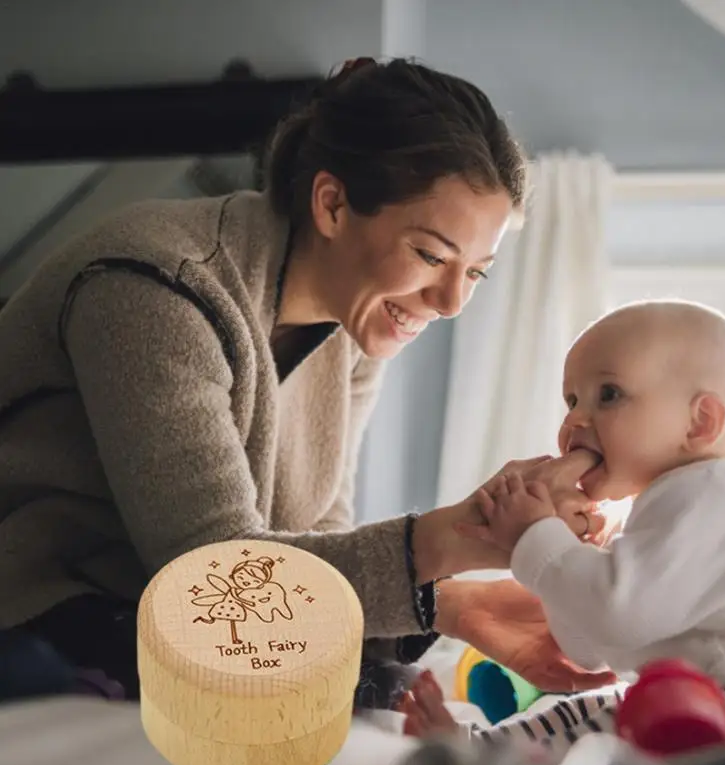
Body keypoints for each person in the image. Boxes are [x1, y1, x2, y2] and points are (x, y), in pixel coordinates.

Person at [0, 57, 613, 707]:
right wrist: (470, 533)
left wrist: (450, 605)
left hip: (160, 614)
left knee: (385, 694)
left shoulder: (354, 333)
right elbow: (216, 579)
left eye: (476, 272)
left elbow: (309, 545)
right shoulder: (152, 288)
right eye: (431, 255)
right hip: (44, 610)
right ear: (332, 204)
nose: (451, 301)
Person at [401, 299, 725, 752]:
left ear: (700, 423)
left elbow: (621, 614)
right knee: (592, 707)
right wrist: (576, 559)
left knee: (620, 726)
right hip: (717, 697)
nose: (573, 420)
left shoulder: (710, 498)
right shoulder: (657, 511)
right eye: (571, 401)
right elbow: (589, 647)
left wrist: (537, 539)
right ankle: (483, 752)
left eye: (608, 394)